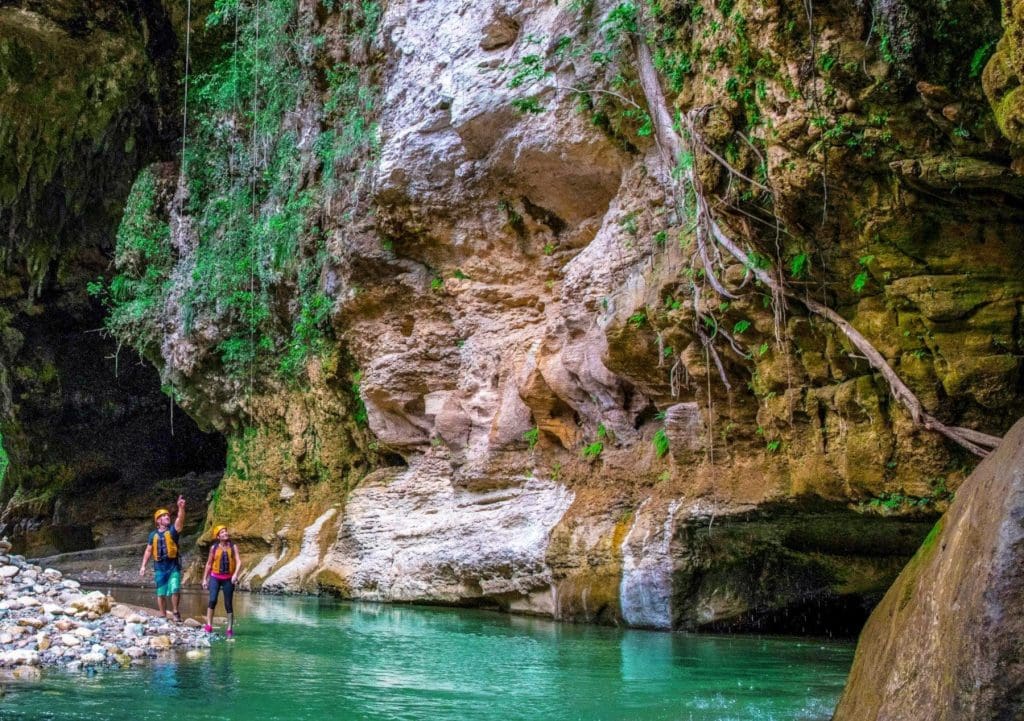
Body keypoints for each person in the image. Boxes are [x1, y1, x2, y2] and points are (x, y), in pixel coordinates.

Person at [139, 495, 186, 621]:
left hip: (173, 566)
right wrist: (143, 565)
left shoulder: (173, 530)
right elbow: (149, 550)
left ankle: (175, 611)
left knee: (175, 588)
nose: (167, 517)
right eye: (164, 516)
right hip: (160, 567)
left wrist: (181, 508)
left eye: (167, 516)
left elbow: (180, 521)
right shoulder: (152, 535)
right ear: (158, 521)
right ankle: (162, 614)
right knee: (161, 592)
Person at [202, 524, 242, 638]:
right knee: (212, 600)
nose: (225, 533)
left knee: (228, 603)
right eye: (222, 532)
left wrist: (235, 574)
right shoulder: (214, 548)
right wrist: (205, 579)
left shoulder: (233, 546)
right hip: (215, 577)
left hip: (228, 578)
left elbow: (239, 562)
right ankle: (209, 625)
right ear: (218, 536)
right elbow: (209, 564)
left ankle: (229, 628)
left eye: (225, 531)